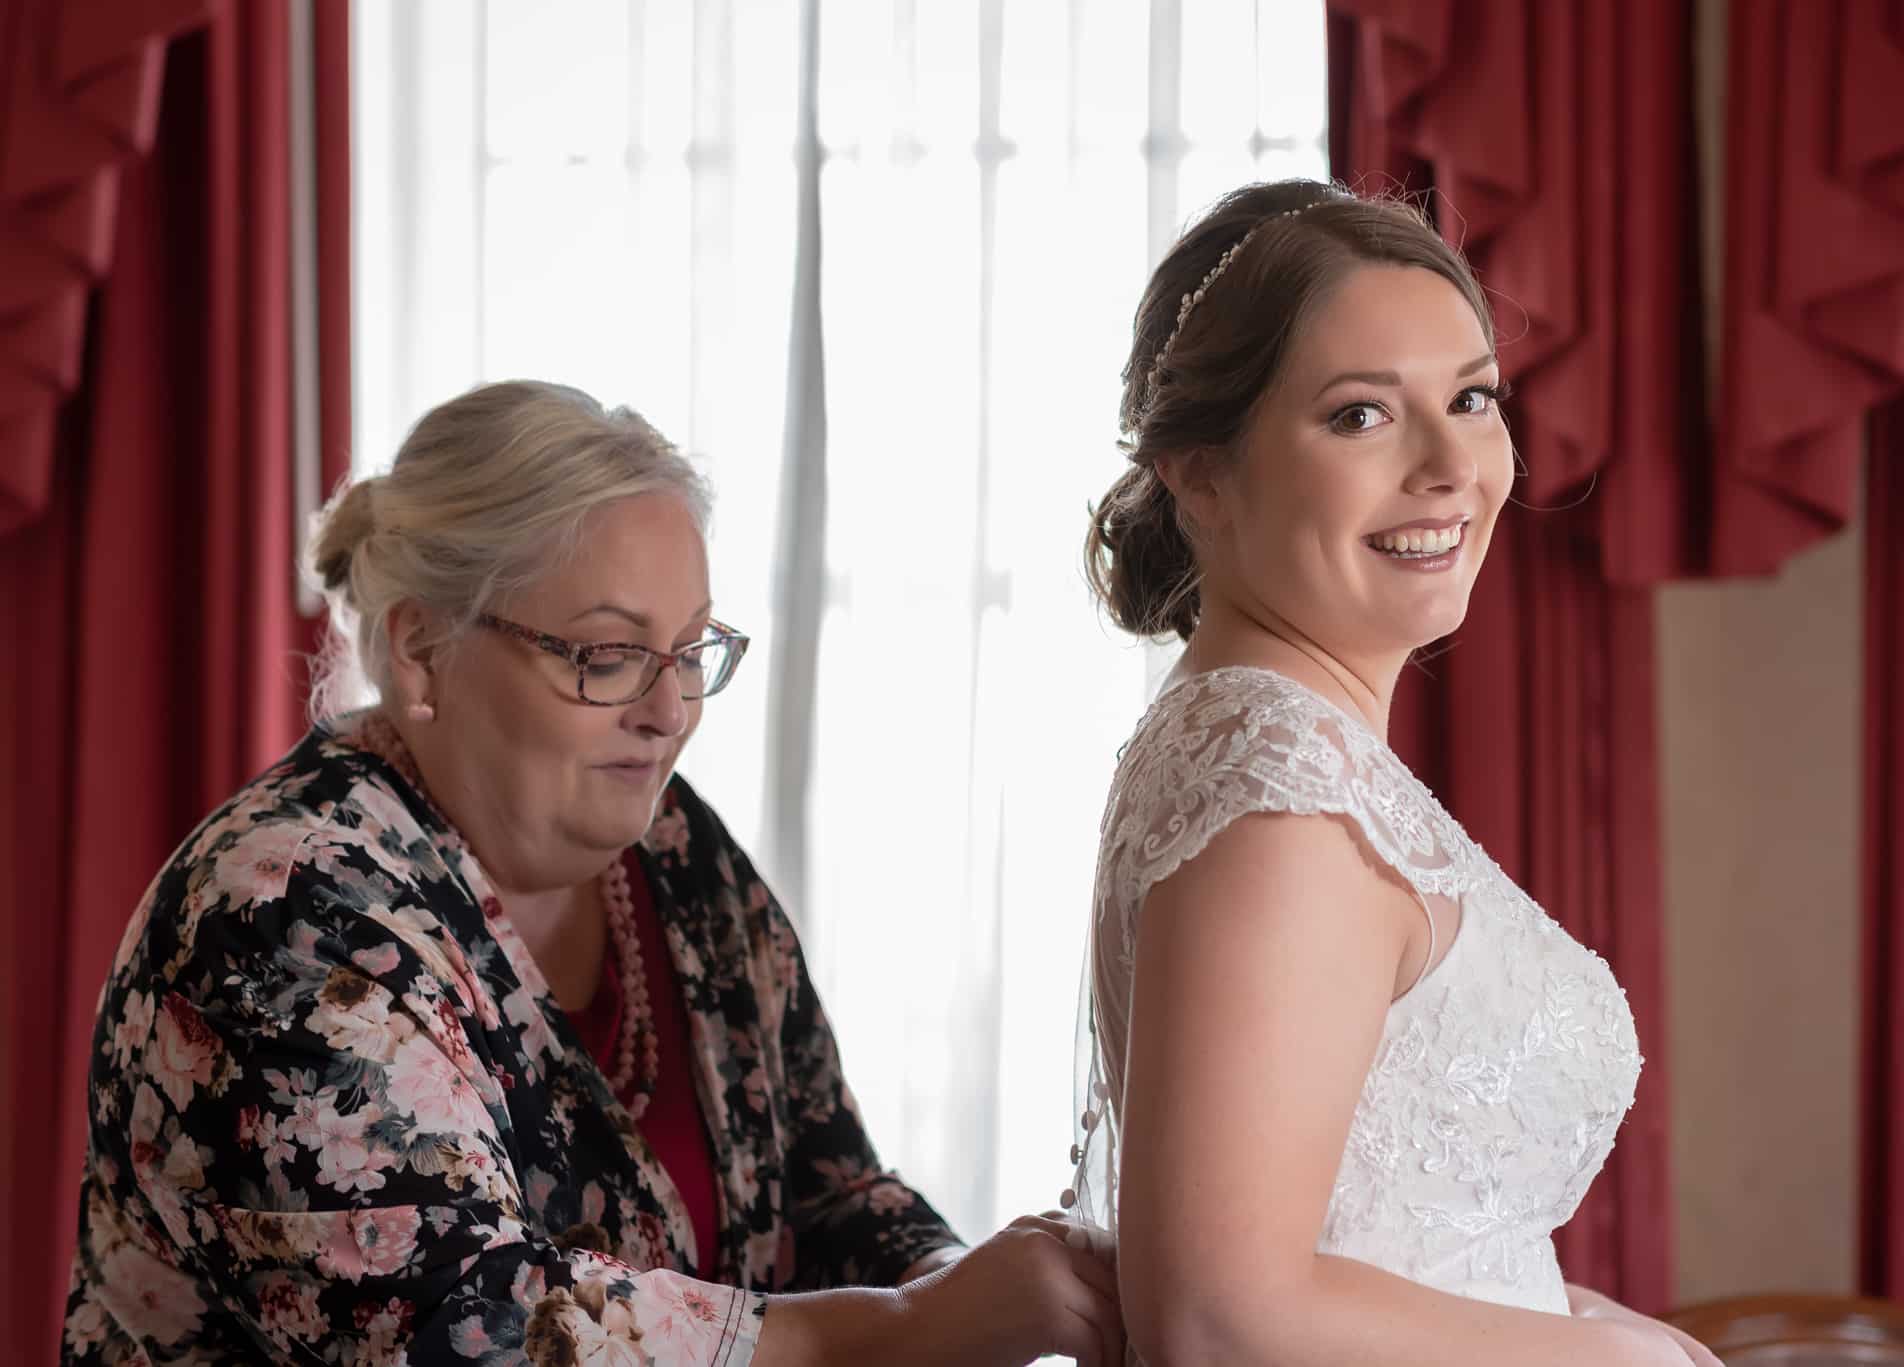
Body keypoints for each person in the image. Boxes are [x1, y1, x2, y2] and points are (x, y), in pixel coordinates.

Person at [61, 380, 1122, 1366]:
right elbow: (470, 1325)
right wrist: (908, 1327)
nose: (667, 711)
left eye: (692, 650)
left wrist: (958, 1288)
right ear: (423, 652)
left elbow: (826, 1190)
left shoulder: (673, 853)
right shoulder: (277, 913)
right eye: (606, 654)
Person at [1069, 180, 1718, 1366]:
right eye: (1360, 415)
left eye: (1470, 397)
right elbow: (1218, 1317)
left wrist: (1597, 1326)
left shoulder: (1273, 756)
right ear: (1197, 471)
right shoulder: (1277, 800)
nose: (1448, 466)